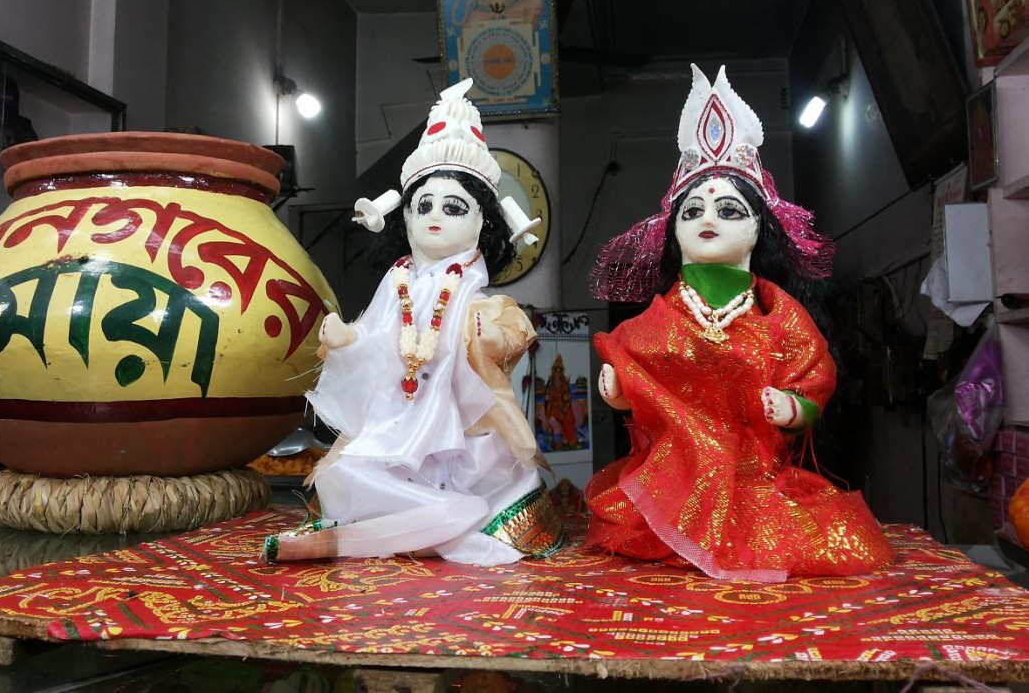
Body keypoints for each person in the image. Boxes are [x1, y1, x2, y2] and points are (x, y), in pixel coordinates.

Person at [584, 64, 895, 582]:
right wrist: (619, 389)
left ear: (758, 231)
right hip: (670, 491)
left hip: (756, 487)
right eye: (693, 211)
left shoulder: (778, 317)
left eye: (728, 211)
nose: (707, 219)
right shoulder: (659, 319)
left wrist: (795, 407)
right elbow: (630, 364)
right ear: (674, 231)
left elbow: (813, 376)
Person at [263, 79, 564, 567]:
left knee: (486, 471)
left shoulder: (477, 295)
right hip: (395, 416)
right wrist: (347, 338)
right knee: (343, 473)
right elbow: (378, 333)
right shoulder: (397, 281)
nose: (434, 216)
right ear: (404, 217)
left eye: (453, 207)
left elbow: (513, 335)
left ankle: (428, 520)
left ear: (482, 224)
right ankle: (436, 519)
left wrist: (492, 339)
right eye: (422, 205)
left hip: (459, 427)